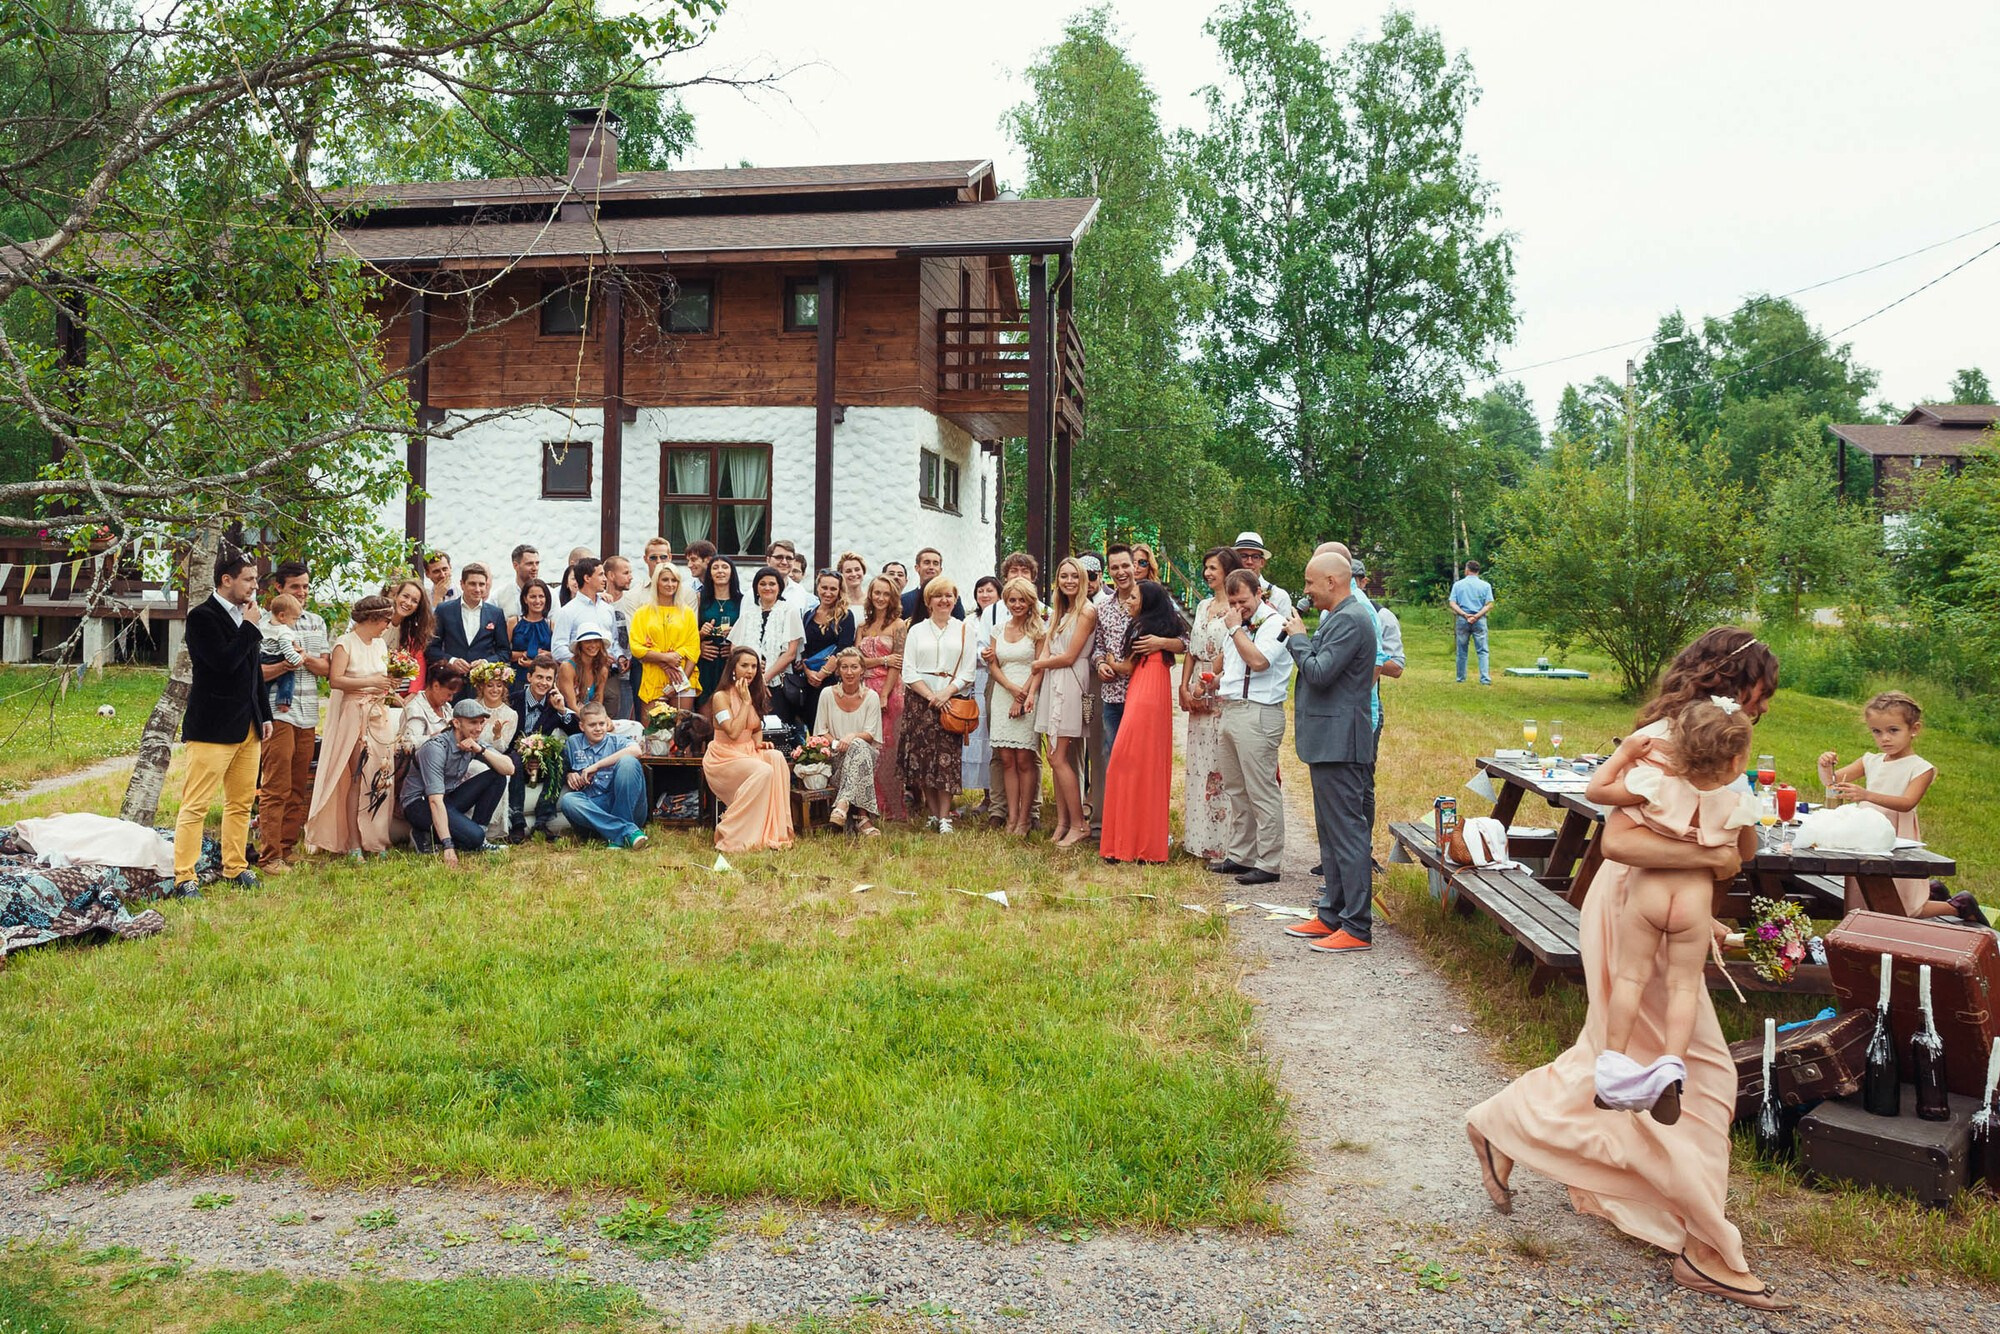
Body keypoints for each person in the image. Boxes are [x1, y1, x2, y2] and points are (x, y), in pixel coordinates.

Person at [1467, 627, 1793, 1313]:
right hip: (1634, 908)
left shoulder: (1711, 736)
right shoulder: (1674, 739)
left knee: (1626, 1057)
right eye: (1761, 691)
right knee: (1702, 1074)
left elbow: (1719, 834)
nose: (1765, 705)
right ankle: (1707, 1248)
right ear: (1733, 682)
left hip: (1665, 907)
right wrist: (1712, 862)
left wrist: (1710, 892)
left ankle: (1505, 1123)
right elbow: (1620, 839)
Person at [1584, 699, 1759, 1119]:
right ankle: (1671, 1068)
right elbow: (1746, 854)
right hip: (1693, 902)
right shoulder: (1737, 804)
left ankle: (1612, 1068)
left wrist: (1625, 753)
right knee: (1683, 987)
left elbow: (1597, 791)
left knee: (1631, 978)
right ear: (1736, 762)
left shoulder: (1653, 785)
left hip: (1649, 894)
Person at [1278, 552, 1376, 952]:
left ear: (1332, 581)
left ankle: (1357, 926)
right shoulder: (1338, 617)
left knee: (1348, 834)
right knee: (1331, 834)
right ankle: (1332, 914)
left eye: (1309, 583)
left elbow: (1319, 673)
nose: (1306, 590)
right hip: (1327, 741)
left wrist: (1298, 638)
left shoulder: (1352, 619)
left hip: (1341, 743)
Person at [1818, 691, 1974, 921]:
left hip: (1898, 838)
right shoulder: (1870, 760)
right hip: (1866, 836)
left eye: (1893, 730)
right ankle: (1933, 892)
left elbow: (1907, 803)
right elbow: (1832, 783)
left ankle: (1959, 906)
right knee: (1861, 897)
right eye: (1877, 732)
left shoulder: (1920, 768)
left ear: (1914, 729)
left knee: (1904, 906)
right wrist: (1825, 766)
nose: (1885, 739)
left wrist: (1867, 795)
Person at [172, 548, 274, 894]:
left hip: (248, 726)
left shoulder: (247, 616)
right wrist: (250, 627)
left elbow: (252, 671)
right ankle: (185, 876)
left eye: (256, 579)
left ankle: (235, 867)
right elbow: (222, 663)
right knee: (196, 805)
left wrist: (265, 714)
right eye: (249, 579)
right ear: (226, 580)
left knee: (241, 803)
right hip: (212, 727)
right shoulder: (202, 617)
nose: (255, 586)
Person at [1208, 569, 1295, 886]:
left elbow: (1259, 662)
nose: (1237, 608)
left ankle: (1269, 862)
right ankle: (1241, 854)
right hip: (1232, 709)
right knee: (1236, 788)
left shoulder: (1274, 623)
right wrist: (1216, 681)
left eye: (1243, 601)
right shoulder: (1238, 626)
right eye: (1232, 602)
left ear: (1259, 593)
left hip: (1259, 712)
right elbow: (1233, 667)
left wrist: (1234, 630)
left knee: (1261, 790)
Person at [304, 595, 399, 859]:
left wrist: (387, 685)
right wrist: (371, 682)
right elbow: (335, 680)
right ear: (373, 618)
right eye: (385, 621)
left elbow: (380, 678)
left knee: (380, 774)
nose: (387, 626)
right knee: (358, 775)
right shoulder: (345, 643)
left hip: (377, 713)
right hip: (354, 714)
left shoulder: (380, 644)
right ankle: (354, 841)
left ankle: (375, 838)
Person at [1098, 581, 1185, 864]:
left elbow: (1126, 667)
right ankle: (1143, 843)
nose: (1128, 601)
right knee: (1147, 764)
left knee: (1123, 761)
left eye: (1134, 597)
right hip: (1153, 690)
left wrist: (1111, 660)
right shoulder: (1160, 627)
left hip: (1144, 693)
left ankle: (1124, 842)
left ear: (1147, 602)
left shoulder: (1142, 629)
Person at [254, 560, 329, 874]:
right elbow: (254, 672)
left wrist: (303, 657)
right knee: (276, 786)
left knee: (299, 785)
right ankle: (269, 856)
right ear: (279, 588)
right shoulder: (263, 623)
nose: (302, 592)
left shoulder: (316, 622)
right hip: (277, 713)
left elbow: (326, 668)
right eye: (295, 586)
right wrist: (286, 664)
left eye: (306, 586)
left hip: (308, 713)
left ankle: (287, 848)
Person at [1181, 546, 1243, 864]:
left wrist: (1207, 682)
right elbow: (1192, 650)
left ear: (1228, 571)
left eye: (1213, 568)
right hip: (1198, 686)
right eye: (1205, 567)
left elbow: (1231, 650)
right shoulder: (1203, 605)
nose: (1207, 573)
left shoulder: (1236, 607)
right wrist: (1184, 686)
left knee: (1220, 767)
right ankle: (1198, 839)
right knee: (1199, 764)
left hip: (1221, 687)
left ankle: (1224, 844)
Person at [899, 575, 975, 832]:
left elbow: (968, 671)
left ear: (955, 600)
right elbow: (908, 671)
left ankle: (945, 817)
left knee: (946, 760)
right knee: (923, 760)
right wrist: (931, 696)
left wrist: (946, 693)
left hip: (952, 702)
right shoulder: (916, 630)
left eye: (948, 596)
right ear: (928, 601)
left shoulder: (965, 629)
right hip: (920, 702)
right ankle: (932, 813)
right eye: (938, 596)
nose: (944, 600)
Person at [702, 646, 795, 852]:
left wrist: (759, 743)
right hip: (724, 757)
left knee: (776, 758)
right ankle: (733, 831)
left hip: (747, 752)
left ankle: (773, 831)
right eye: (744, 665)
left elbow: (755, 728)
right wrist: (745, 703)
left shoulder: (753, 693)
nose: (750, 671)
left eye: (754, 666)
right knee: (763, 770)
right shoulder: (721, 697)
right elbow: (733, 732)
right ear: (733, 669)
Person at [1033, 557, 1098, 848]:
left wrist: (1039, 664)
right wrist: (1041, 669)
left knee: (1058, 757)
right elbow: (1048, 646)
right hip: (1053, 680)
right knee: (1056, 757)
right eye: (1064, 576)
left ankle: (1079, 823)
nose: (1069, 581)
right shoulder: (1061, 610)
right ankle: (1062, 822)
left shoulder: (1086, 611)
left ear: (1082, 579)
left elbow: (1070, 656)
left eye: (1074, 576)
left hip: (1070, 682)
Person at [400, 699, 514, 861]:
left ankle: (479, 839)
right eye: (473, 722)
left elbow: (509, 769)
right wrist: (448, 846)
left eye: (481, 722)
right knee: (473, 837)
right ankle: (426, 832)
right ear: (456, 723)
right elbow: (434, 801)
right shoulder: (436, 748)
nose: (479, 728)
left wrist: (481, 750)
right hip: (419, 804)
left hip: (446, 798)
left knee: (497, 776)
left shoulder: (473, 742)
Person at [983, 576, 1046, 838]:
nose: (1017, 604)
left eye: (1022, 600)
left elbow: (1039, 666)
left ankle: (1024, 818)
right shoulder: (998, 629)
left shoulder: (1039, 630)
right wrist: (1010, 688)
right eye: (1012, 600)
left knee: (1024, 759)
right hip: (1003, 692)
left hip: (1029, 693)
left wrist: (1023, 696)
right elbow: (993, 664)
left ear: (1030, 602)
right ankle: (1011, 815)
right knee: (1007, 759)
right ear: (1006, 602)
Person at [557, 702, 650, 850]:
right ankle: (626, 832)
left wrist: (597, 766)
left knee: (628, 762)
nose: (598, 728)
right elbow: (562, 767)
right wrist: (569, 774)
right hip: (595, 808)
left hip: (627, 806)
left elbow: (636, 751)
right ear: (582, 726)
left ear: (607, 722)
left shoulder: (617, 741)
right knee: (568, 801)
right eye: (592, 725)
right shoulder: (573, 743)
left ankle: (618, 833)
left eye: (601, 723)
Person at [813, 646, 883, 836]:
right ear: (838, 670)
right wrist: (838, 744)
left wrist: (852, 737)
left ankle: (842, 805)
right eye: (844, 667)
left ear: (862, 670)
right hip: (836, 756)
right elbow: (821, 731)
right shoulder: (827, 694)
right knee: (856, 750)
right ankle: (862, 818)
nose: (849, 672)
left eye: (854, 667)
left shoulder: (872, 697)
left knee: (859, 745)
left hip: (866, 755)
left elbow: (870, 735)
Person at [507, 654, 576, 843]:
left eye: (548, 679)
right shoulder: (512, 700)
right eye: (539, 677)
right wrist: (523, 757)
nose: (543, 683)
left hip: (542, 765)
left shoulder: (554, 704)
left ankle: (542, 820)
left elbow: (577, 730)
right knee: (513, 759)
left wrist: (562, 710)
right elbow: (504, 742)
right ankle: (517, 823)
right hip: (514, 763)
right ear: (529, 677)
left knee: (560, 755)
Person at [856, 574, 909, 822]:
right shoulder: (863, 627)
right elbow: (856, 661)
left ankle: (891, 807)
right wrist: (882, 659)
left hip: (889, 690)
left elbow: (898, 663)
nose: (880, 598)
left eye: (886, 594)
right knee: (868, 745)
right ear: (870, 595)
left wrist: (885, 694)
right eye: (877, 593)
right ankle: (868, 803)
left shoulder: (899, 626)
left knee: (887, 748)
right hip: (864, 688)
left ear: (893, 597)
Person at [730, 565, 805, 729]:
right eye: (762, 584)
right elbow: (734, 650)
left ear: (779, 587)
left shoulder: (789, 611)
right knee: (748, 727)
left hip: (777, 683)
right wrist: (752, 670)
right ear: (756, 588)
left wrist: (764, 679)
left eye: (772, 584)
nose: (767, 588)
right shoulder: (748, 613)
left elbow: (790, 653)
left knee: (776, 730)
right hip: (749, 682)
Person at [631, 562, 700, 710]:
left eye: (674, 580)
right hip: (654, 676)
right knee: (654, 724)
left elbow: (693, 649)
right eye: (665, 580)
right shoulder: (642, 613)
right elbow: (636, 647)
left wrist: (681, 681)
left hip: (683, 674)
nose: (670, 584)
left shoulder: (687, 613)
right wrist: (665, 659)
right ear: (656, 582)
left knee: (681, 723)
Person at [429, 561, 509, 681]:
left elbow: (504, 652)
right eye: (472, 584)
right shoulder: (444, 610)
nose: (477, 589)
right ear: (462, 584)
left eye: (481, 584)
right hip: (451, 681)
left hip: (482, 683)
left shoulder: (496, 613)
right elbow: (431, 649)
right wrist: (451, 661)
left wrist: (486, 662)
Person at [551, 557, 616, 701]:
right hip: (578, 678)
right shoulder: (568, 611)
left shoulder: (608, 609)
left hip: (609, 676)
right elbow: (558, 648)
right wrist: (585, 662)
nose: (605, 579)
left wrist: (619, 657)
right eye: (601, 574)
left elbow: (614, 640)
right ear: (587, 578)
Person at [962, 575, 1001, 811]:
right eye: (980, 591)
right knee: (980, 736)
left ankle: (999, 796)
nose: (985, 595)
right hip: (975, 680)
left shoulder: (1003, 616)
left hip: (997, 678)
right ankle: (987, 796)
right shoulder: (969, 620)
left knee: (994, 737)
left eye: (989, 590)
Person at [799, 570, 856, 729]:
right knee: (812, 725)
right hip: (809, 680)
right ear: (817, 587)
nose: (828, 593)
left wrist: (821, 675)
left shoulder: (845, 616)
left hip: (833, 681)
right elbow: (803, 648)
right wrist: (808, 672)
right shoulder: (809, 615)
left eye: (833, 589)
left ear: (839, 591)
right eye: (824, 588)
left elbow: (843, 649)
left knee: (832, 727)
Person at [696, 557, 744, 709]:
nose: (720, 571)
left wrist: (734, 643)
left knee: (728, 709)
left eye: (725, 567)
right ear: (709, 574)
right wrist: (700, 639)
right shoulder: (699, 598)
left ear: (732, 572)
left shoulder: (742, 601)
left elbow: (748, 632)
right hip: (706, 661)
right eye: (715, 567)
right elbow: (688, 632)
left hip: (729, 662)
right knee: (705, 710)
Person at [382, 576, 434, 696]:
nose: (408, 603)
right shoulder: (377, 623)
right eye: (405, 596)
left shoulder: (412, 632)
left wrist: (412, 695)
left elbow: (418, 667)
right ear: (396, 596)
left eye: (415, 601)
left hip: (399, 695)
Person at [1449, 558, 1495, 685]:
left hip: (1462, 619)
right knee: (1482, 650)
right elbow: (1489, 604)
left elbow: (1452, 603)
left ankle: (1461, 678)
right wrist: (1477, 616)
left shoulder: (1458, 585)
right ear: (1478, 571)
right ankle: (1485, 678)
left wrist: (1464, 614)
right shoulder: (1486, 586)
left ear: (1467, 570)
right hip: (1480, 620)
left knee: (1462, 650)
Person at [400, 663, 466, 751]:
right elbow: (407, 744)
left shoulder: (446, 707)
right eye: (449, 694)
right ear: (436, 686)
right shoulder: (415, 709)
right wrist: (437, 737)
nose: (451, 699)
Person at [1231, 532, 1295, 619]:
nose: (1249, 562)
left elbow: (1287, 627)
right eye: (1243, 556)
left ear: (1262, 562)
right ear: (1235, 560)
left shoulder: (1279, 596)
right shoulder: (1225, 594)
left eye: (1255, 557)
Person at [900, 548, 964, 622]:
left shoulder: (952, 599)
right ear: (917, 568)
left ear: (940, 570)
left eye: (935, 563)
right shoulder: (903, 600)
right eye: (927, 563)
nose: (931, 567)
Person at [509, 579, 555, 667]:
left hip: (543, 673)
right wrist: (523, 655)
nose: (537, 601)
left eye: (541, 596)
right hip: (517, 672)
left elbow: (557, 654)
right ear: (525, 599)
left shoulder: (551, 625)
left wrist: (546, 656)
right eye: (533, 597)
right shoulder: (513, 622)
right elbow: (503, 652)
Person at [566, 626, 615, 708]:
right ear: (580, 645)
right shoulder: (568, 668)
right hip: (567, 713)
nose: (593, 645)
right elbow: (571, 705)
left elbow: (598, 703)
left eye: (596, 641)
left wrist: (598, 715)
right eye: (588, 641)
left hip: (590, 713)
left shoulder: (602, 670)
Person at [493, 543, 541, 620]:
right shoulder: (499, 596)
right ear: (515, 565)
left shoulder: (549, 595)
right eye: (529, 564)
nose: (535, 568)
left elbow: (557, 624)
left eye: (537, 563)